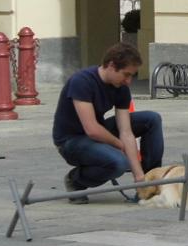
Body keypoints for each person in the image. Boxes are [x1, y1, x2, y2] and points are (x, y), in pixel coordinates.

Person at [53, 43, 164, 204]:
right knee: (119, 163)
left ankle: (149, 184)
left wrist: (139, 176)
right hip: (71, 141)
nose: (128, 81)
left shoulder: (121, 88)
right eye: (126, 74)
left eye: (132, 76)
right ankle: (76, 180)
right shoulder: (81, 81)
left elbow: (126, 131)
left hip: (97, 133)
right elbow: (92, 129)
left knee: (152, 119)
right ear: (111, 66)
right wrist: (118, 144)